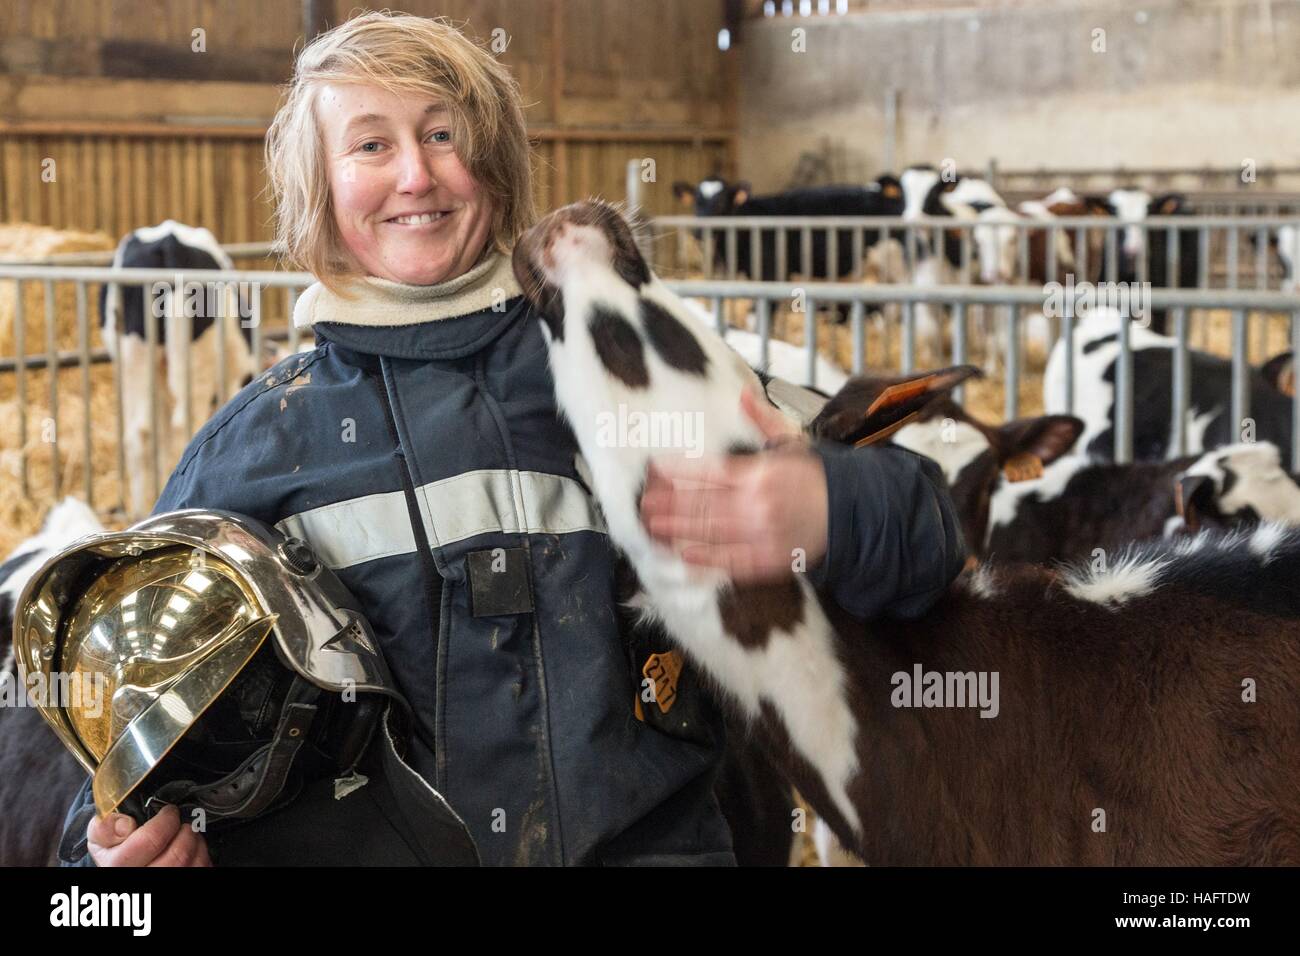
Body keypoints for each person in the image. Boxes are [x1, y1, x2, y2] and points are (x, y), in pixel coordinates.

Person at [60, 11, 965, 867]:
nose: (415, 175)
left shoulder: (638, 368)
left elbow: (936, 538)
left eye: (444, 134)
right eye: (372, 144)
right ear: (318, 189)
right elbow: (124, 758)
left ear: (492, 163)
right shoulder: (249, 455)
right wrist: (122, 851)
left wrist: (830, 503)